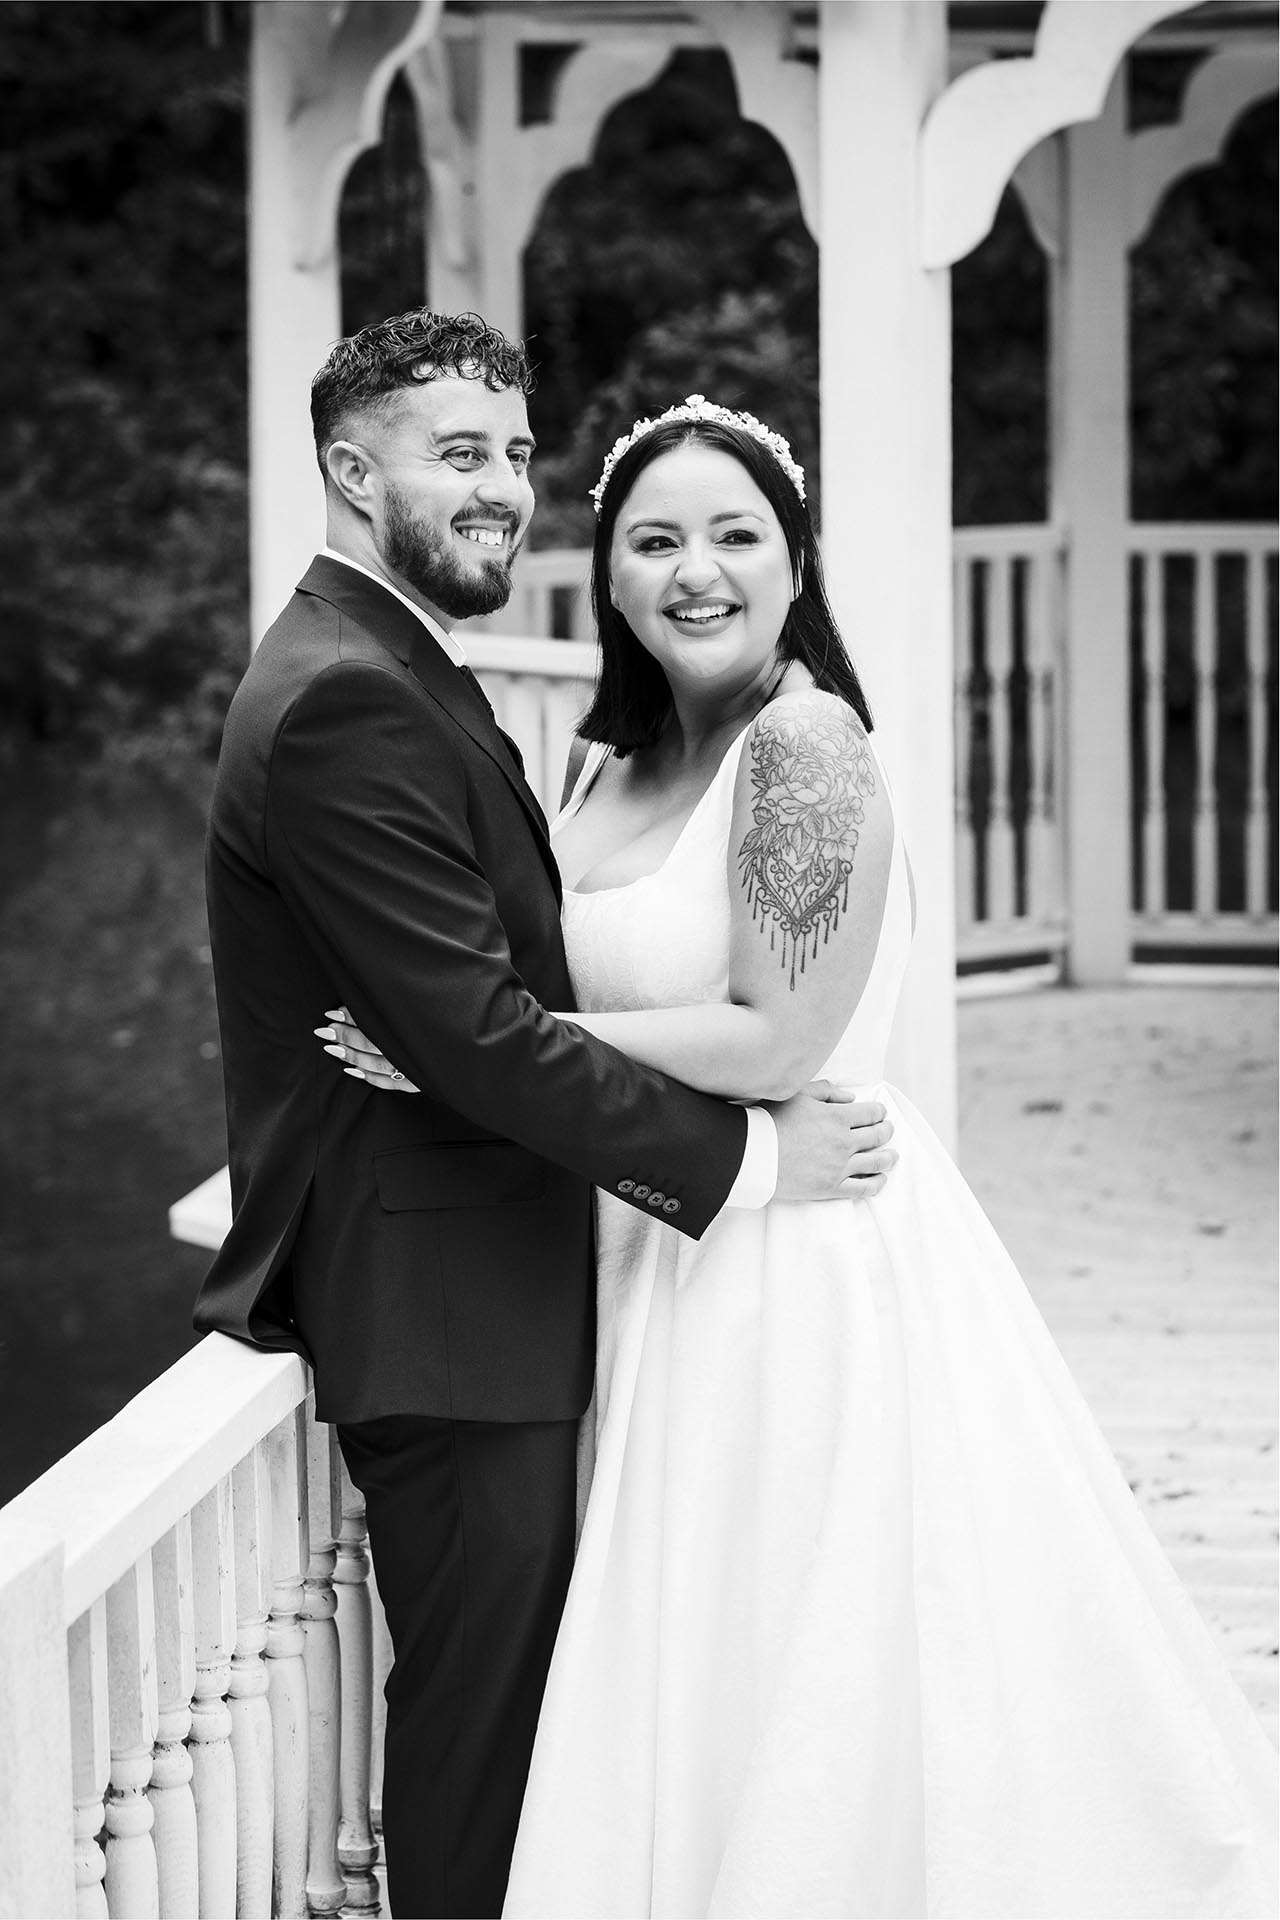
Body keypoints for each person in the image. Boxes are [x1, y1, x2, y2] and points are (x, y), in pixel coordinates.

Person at [326, 395, 1278, 1919]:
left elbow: (777, 1042)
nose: (693, 572)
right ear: (612, 580)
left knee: (813, 1669)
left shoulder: (807, 743)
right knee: (679, 1667)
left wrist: (466, 1037)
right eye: (653, 541)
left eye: (732, 535)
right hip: (648, 1247)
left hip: (801, 1262)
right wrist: (484, 1035)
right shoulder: (602, 774)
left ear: (793, 560)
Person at [192, 315, 896, 1920]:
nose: (504, 488)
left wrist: (482, 1039)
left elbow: (487, 1026)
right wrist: (755, 1158)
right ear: (350, 472)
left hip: (525, 1287)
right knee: (484, 1737)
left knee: (543, 1720)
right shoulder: (348, 697)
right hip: (445, 1306)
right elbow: (478, 1037)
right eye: (460, 454)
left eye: (515, 454)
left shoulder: (391, 671)